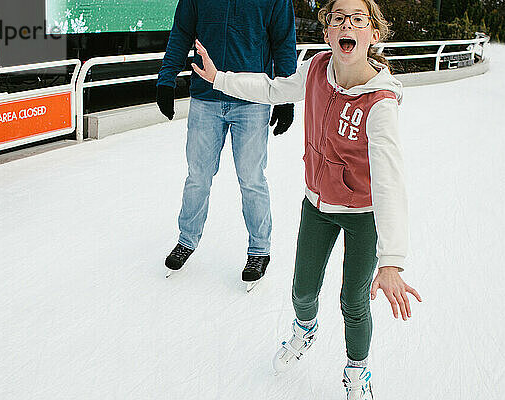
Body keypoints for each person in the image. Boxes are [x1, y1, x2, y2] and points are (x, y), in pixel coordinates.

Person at [191, 0, 422, 397]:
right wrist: (220, 79)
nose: (346, 24)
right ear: (329, 32)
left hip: (362, 213)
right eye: (337, 19)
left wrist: (393, 261)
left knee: (354, 301)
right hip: (317, 204)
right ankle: (304, 331)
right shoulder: (316, 68)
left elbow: (389, 181)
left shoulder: (379, 104)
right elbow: (272, 88)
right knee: (301, 290)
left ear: (373, 34)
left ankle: (357, 370)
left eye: (357, 19)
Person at [156, 0, 297, 286]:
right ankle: (187, 239)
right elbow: (181, 32)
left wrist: (284, 95)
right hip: (205, 99)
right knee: (198, 176)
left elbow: (283, 42)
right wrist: (167, 78)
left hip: (252, 99)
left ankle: (259, 250)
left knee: (252, 179)